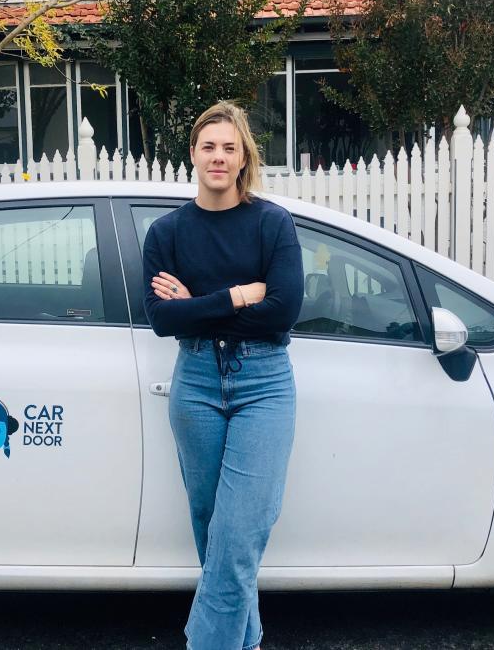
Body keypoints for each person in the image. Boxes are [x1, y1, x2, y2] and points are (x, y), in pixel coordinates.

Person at [142, 101, 304, 650]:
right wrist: (236, 296)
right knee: (210, 524)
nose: (218, 156)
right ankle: (248, 639)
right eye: (208, 146)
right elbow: (163, 319)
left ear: (243, 159)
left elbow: (282, 311)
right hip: (195, 382)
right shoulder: (167, 234)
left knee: (236, 538)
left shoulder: (271, 223)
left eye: (228, 147)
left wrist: (200, 303)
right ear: (192, 154)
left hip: (264, 382)